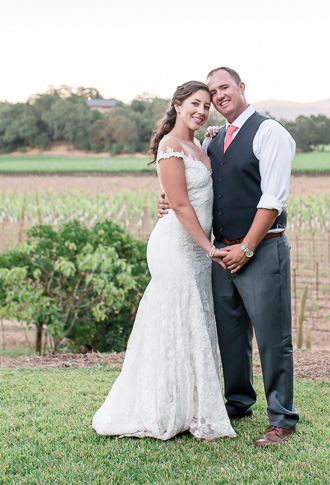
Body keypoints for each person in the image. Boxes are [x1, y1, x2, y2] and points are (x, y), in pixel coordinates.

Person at [160, 67, 299, 448]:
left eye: (223, 89)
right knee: (231, 336)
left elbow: (273, 198)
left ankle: (282, 419)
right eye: (210, 93)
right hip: (220, 252)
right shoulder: (215, 139)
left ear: (240, 88)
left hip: (262, 248)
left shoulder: (270, 133)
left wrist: (248, 247)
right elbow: (194, 186)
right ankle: (238, 403)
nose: (217, 97)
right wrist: (168, 202)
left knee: (273, 338)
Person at [92, 81, 237, 442]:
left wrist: (216, 134)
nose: (202, 112)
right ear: (177, 104)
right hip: (176, 247)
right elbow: (181, 204)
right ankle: (162, 407)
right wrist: (208, 247)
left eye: (207, 107)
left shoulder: (201, 144)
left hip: (198, 247)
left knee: (192, 321)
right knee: (174, 319)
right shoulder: (170, 146)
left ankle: (192, 406)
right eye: (195, 104)